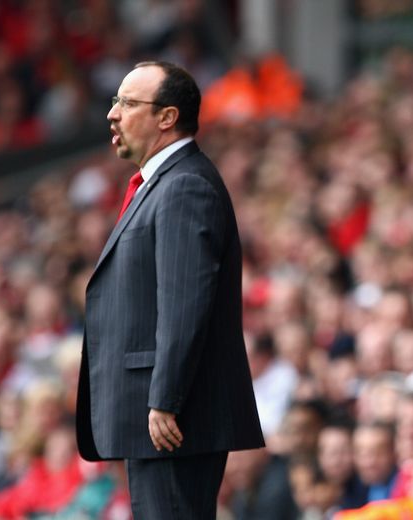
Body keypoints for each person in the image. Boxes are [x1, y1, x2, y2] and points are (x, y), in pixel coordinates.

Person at [75, 60, 264, 519]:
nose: (112, 114)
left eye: (127, 102)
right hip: (159, 418)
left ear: (167, 116)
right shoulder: (159, 185)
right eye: (115, 101)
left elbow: (185, 303)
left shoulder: (184, 187)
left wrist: (165, 399)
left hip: (173, 420)